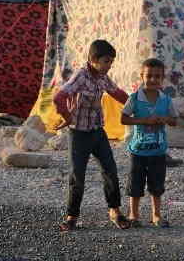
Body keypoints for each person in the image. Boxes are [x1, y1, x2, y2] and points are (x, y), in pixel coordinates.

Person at [53, 39, 131, 232]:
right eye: (106, 61)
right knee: (77, 175)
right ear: (92, 59)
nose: (109, 65)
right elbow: (59, 97)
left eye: (111, 62)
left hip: (97, 132)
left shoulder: (102, 77)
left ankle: (114, 211)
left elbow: (118, 94)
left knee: (110, 170)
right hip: (79, 134)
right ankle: (72, 216)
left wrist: (139, 106)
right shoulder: (81, 76)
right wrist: (67, 116)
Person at [121, 58, 177, 228]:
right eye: (149, 76)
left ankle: (156, 215)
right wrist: (144, 120)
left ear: (162, 78)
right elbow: (123, 119)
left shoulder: (166, 100)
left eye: (157, 77)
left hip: (158, 151)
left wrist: (165, 119)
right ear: (142, 76)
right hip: (137, 151)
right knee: (135, 184)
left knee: (157, 185)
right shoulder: (134, 99)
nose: (153, 80)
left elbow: (174, 120)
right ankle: (133, 214)